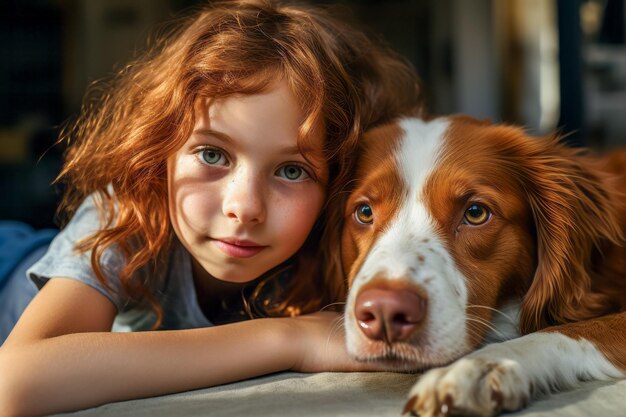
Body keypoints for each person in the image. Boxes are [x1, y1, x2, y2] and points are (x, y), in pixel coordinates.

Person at [0, 0, 421, 415]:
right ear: (158, 152)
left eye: (292, 171)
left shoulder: (333, 245)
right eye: (213, 155)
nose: (245, 207)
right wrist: (289, 339)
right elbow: (15, 383)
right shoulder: (125, 216)